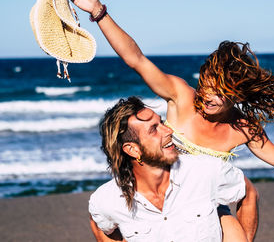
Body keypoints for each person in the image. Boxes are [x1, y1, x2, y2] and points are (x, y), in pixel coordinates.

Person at [67, 0, 274, 241]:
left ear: (237, 95)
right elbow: (136, 59)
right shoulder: (182, 97)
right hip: (156, 195)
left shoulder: (243, 128)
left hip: (205, 206)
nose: (209, 96)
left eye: (222, 93)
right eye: (208, 85)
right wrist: (98, 11)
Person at [89, 96, 248, 242]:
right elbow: (99, 221)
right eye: (153, 129)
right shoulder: (108, 200)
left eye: (162, 123)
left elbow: (248, 194)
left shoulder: (206, 170)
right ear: (133, 150)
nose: (168, 130)